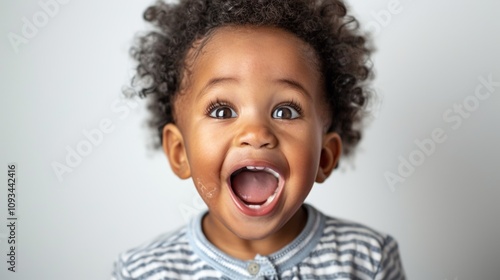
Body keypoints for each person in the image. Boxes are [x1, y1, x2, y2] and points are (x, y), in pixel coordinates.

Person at [113, 0, 406, 279]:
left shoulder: (369, 259)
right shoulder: (143, 272)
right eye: (223, 110)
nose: (256, 133)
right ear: (180, 153)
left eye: (285, 111)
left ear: (325, 157)